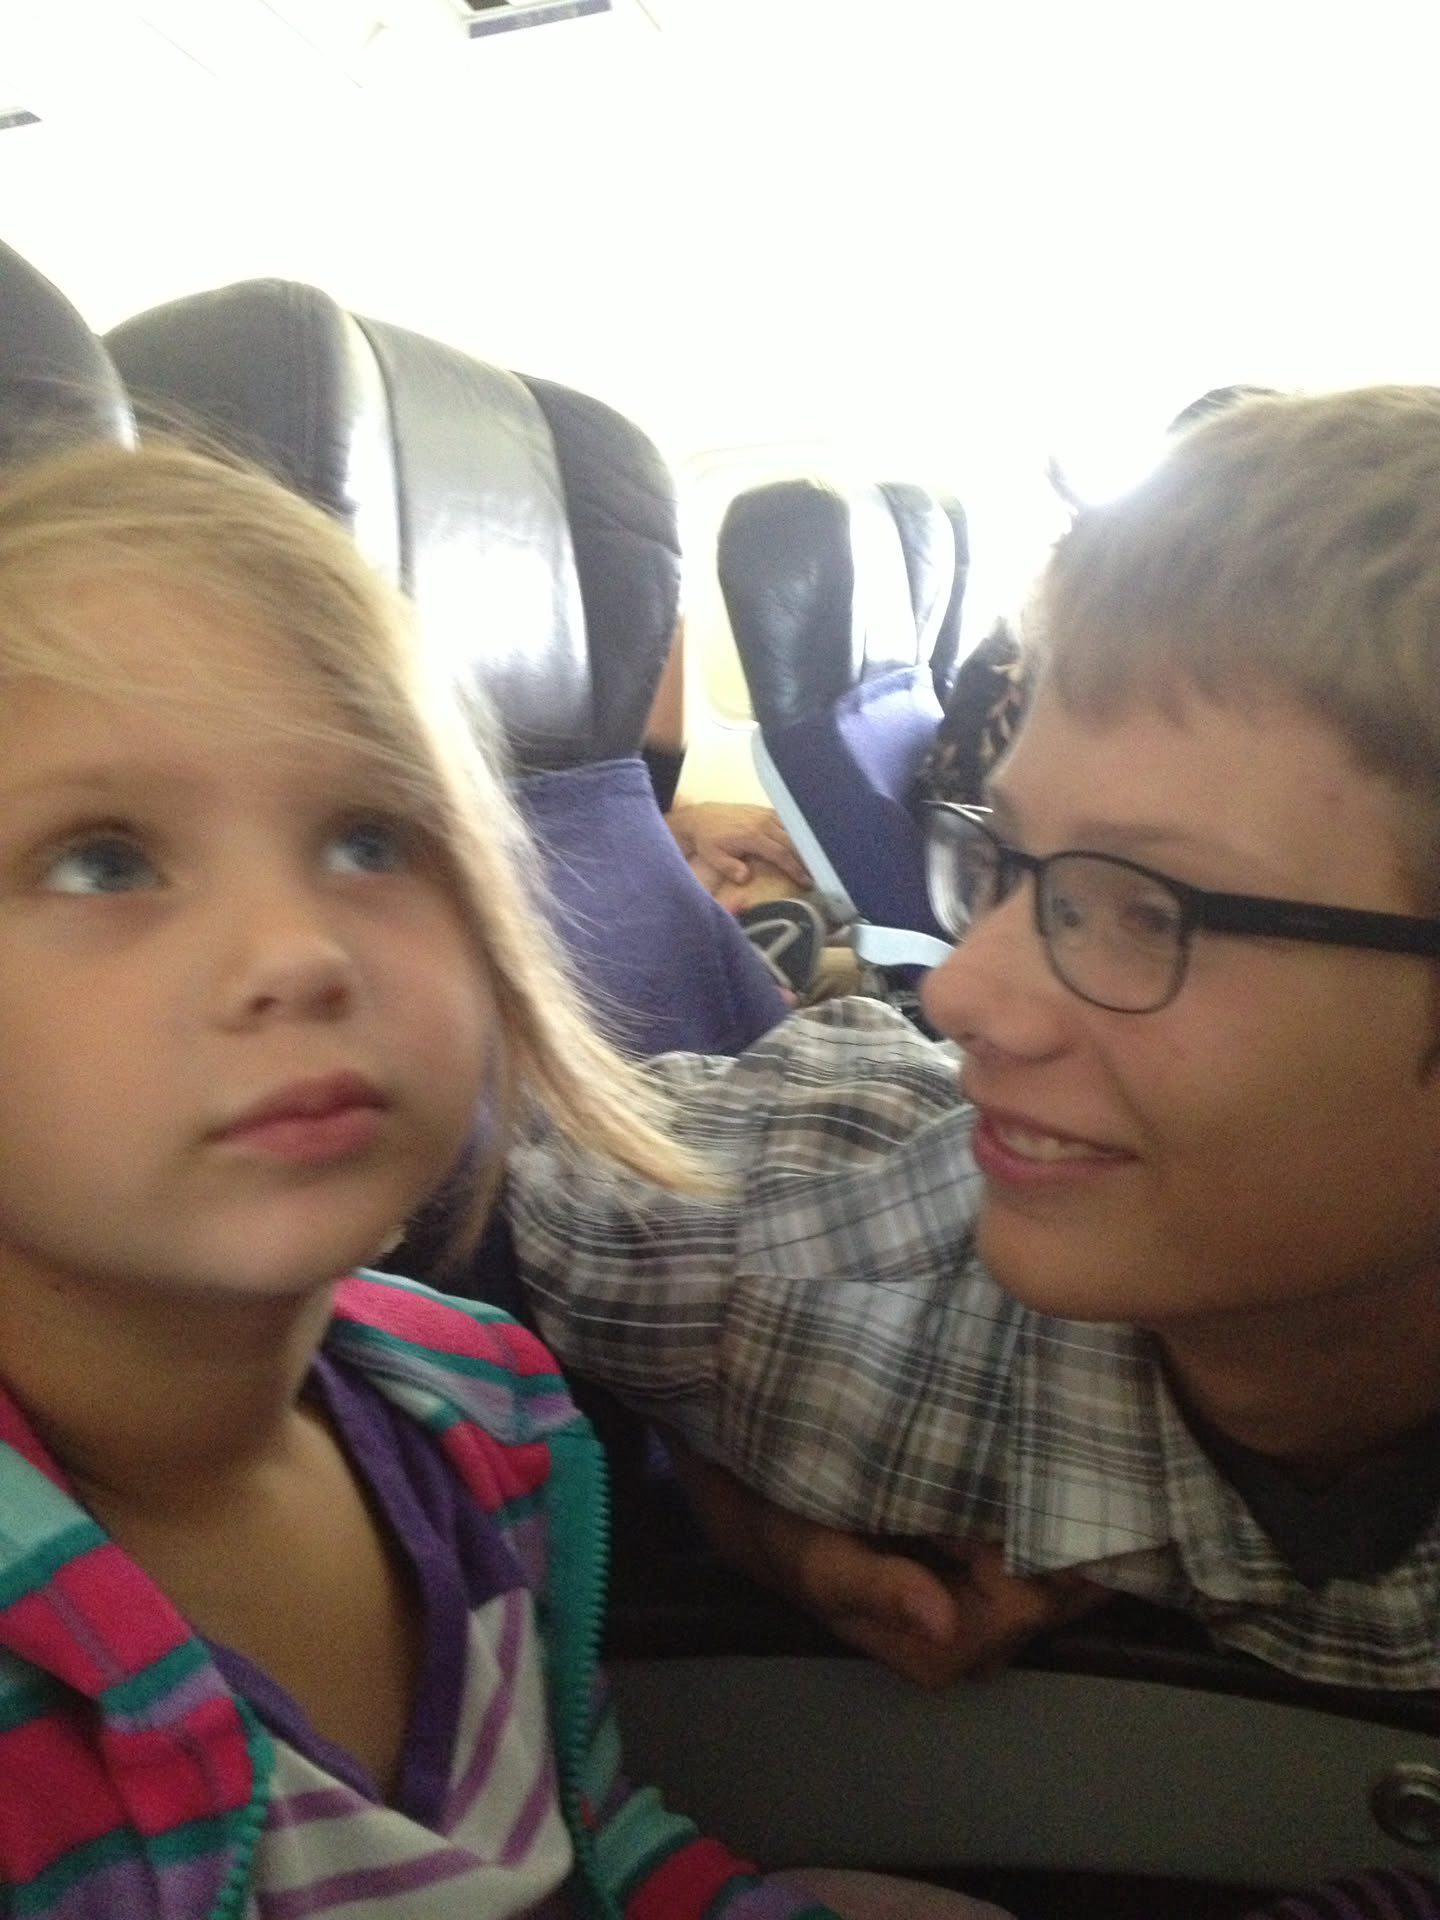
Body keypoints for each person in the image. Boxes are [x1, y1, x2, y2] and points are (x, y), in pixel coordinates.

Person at [0, 437, 1014, 1919]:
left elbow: (586, 1847)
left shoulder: (482, 1416)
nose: (299, 950)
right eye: (103, 862)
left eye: (371, 838)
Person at [508, 386, 1440, 1714]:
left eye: (1148, 913)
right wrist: (736, 1514)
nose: (957, 995)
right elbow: (479, 1186)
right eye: (1006, 864)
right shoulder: (808, 1277)